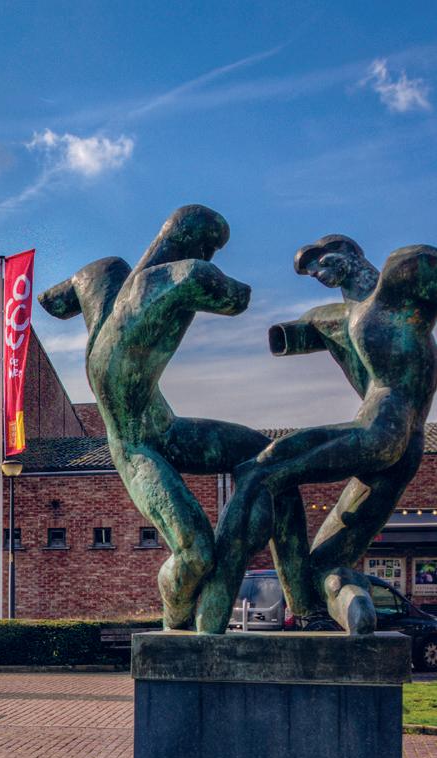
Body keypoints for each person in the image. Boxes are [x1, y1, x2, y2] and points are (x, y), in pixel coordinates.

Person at [40, 205, 309, 629]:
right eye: (213, 248)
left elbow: (53, 302)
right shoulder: (184, 275)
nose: (213, 256)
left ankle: (305, 605)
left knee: (273, 459)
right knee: (195, 553)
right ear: (199, 244)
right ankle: (177, 623)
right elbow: (234, 298)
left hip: (168, 429)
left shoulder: (104, 276)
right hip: (135, 447)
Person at [195, 237, 437, 634]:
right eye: (311, 271)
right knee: (325, 563)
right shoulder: (336, 318)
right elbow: (288, 336)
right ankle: (348, 606)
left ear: (352, 253)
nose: (318, 273)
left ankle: (213, 611)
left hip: (380, 428)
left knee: (261, 470)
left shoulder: (400, 279)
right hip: (407, 449)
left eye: (322, 261)